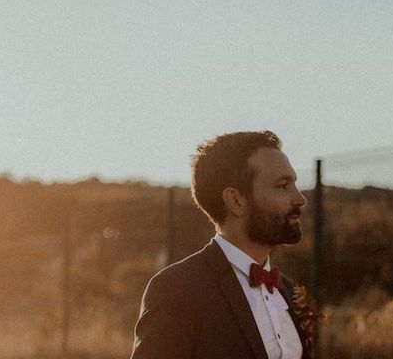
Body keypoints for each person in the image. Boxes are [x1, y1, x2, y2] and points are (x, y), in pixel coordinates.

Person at [131, 131, 312, 359]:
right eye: (282, 186)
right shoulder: (177, 289)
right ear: (235, 201)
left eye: (294, 184)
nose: (300, 198)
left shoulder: (289, 291)